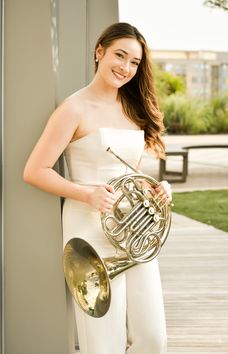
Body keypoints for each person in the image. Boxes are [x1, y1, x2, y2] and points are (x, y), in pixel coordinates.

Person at [24, 22, 172, 354]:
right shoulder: (73, 108)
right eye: (120, 56)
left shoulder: (132, 109)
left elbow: (132, 172)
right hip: (89, 227)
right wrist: (86, 193)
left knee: (154, 336)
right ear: (99, 51)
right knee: (103, 341)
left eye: (134, 62)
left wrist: (158, 191)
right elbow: (34, 170)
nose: (126, 68)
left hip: (134, 230)